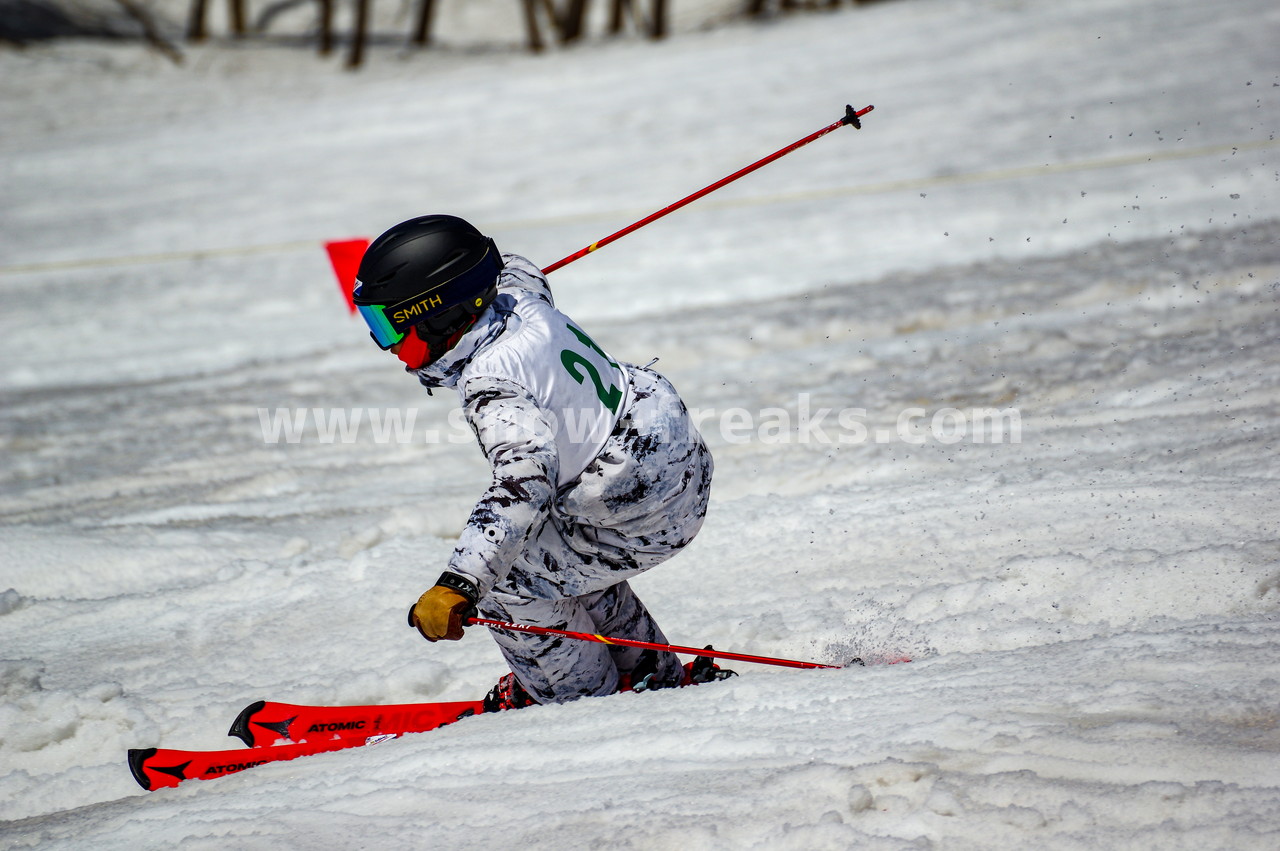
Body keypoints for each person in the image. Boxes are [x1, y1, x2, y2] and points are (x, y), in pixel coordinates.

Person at [351, 214, 724, 711]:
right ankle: (647, 672)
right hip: (667, 469)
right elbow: (516, 269)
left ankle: (582, 700)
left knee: (504, 580)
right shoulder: (518, 299)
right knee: (551, 555)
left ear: (437, 315)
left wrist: (459, 584)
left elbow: (523, 484)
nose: (390, 345)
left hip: (642, 508)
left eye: (388, 325)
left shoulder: (492, 382)